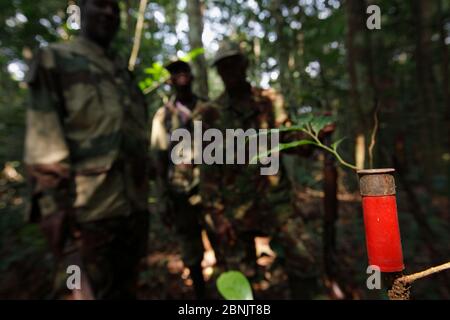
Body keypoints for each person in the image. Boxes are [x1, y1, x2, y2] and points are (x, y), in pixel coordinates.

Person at [24, 0, 150, 299]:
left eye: (114, 8)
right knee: (77, 292)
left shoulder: (123, 73)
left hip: (132, 215)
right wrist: (63, 236)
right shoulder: (57, 60)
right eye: (99, 4)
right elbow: (44, 150)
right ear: (81, 9)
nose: (108, 12)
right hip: (85, 221)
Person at [201, 40, 322, 299]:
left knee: (304, 261)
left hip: (277, 202)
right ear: (218, 72)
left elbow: (290, 140)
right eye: (223, 67)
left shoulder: (269, 101)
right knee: (238, 279)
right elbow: (208, 171)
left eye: (234, 63)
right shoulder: (211, 114)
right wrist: (218, 215)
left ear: (244, 64)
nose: (230, 71)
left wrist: (312, 139)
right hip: (236, 208)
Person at [150, 60, 209, 299]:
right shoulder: (163, 116)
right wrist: (163, 199)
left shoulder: (208, 109)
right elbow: (159, 160)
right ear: (170, 81)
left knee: (224, 240)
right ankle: (200, 295)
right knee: (190, 247)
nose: (180, 76)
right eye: (175, 73)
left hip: (211, 188)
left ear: (192, 76)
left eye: (184, 71)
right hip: (180, 192)